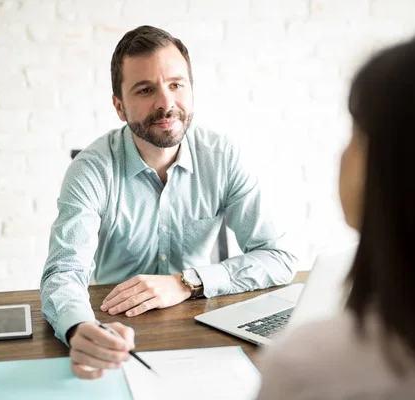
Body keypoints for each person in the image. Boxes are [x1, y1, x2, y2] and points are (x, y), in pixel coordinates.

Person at [40, 25, 299, 379]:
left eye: (176, 84)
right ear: (119, 106)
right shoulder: (90, 169)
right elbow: (64, 273)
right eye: (145, 90)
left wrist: (187, 281)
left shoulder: (222, 156)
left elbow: (280, 257)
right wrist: (77, 327)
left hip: (202, 325)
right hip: (118, 328)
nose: (166, 103)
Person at [257, 27, 415, 399]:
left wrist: (191, 280)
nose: (342, 153)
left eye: (356, 133)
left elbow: (278, 254)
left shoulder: (308, 367)